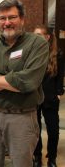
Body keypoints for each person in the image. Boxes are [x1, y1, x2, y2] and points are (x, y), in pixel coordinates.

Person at [0, 0, 49, 167]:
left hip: (22, 118)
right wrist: (7, 81)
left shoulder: (37, 44)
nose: (7, 23)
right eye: (2, 18)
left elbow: (29, 81)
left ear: (22, 19)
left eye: (12, 17)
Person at [33, 25, 64, 167]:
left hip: (51, 99)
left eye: (39, 35)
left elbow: (60, 76)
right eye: (35, 35)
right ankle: (37, 157)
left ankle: (52, 158)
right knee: (36, 130)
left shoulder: (58, 54)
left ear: (47, 37)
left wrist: (59, 93)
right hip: (34, 98)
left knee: (53, 131)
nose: (36, 38)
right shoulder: (31, 53)